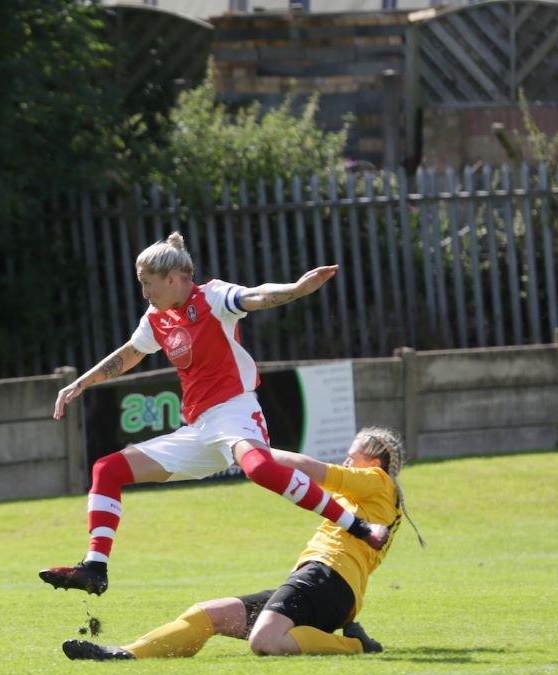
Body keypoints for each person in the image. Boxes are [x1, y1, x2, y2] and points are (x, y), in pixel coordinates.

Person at [41, 232, 389, 595]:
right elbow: (130, 353)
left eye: (147, 284)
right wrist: (81, 382)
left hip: (234, 411)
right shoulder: (157, 317)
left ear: (173, 279)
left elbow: (254, 296)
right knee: (106, 469)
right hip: (199, 428)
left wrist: (297, 289)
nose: (144, 293)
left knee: (260, 469)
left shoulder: (212, 296)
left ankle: (358, 527)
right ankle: (95, 568)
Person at [62, 426, 420, 660]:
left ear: (374, 462)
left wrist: (250, 453)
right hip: (321, 587)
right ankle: (125, 654)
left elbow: (312, 468)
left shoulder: (376, 481)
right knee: (206, 614)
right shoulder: (374, 498)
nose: (346, 462)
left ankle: (354, 644)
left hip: (328, 580)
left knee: (265, 641)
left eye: (351, 457)